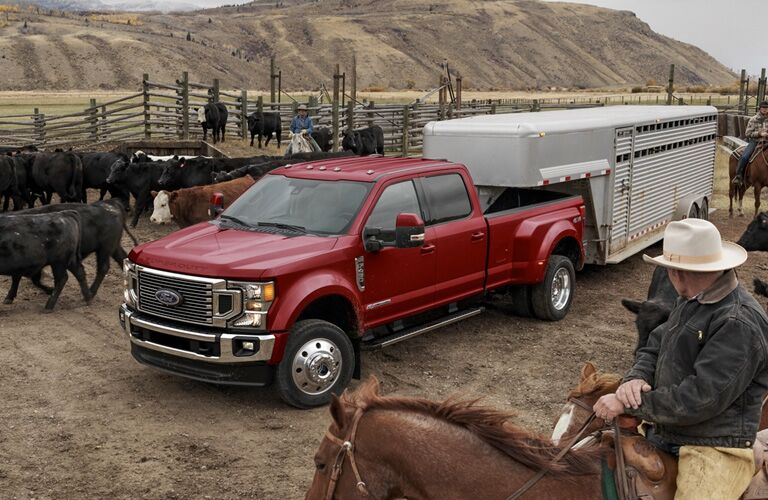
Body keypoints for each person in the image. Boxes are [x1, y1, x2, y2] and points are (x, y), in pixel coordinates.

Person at [593, 218, 768, 499]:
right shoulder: (693, 298)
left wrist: (631, 404)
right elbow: (656, 343)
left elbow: (701, 398)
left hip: (715, 445)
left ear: (679, 272)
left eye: (670, 269)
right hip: (667, 429)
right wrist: (636, 377)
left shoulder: (738, 323)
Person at [732, 101, 768, 186]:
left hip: (767, 141)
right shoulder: (753, 119)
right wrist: (759, 134)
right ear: (760, 109)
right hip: (755, 141)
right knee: (745, 156)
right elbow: (747, 133)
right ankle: (738, 176)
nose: (765, 109)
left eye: (766, 108)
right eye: (763, 108)